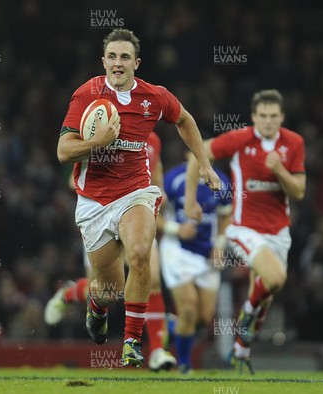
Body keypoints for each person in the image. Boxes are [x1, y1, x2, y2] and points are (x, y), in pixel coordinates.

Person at [56, 28, 219, 367]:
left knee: (142, 253)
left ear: (136, 63)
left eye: (125, 57)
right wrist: (96, 142)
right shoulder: (86, 95)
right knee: (109, 288)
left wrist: (204, 164)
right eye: (112, 57)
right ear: (103, 61)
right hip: (94, 202)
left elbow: (185, 119)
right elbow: (63, 151)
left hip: (136, 192)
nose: (118, 63)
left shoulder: (154, 97)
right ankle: (97, 308)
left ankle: (132, 341)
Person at [184, 90, 306, 374]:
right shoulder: (240, 140)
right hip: (243, 228)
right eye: (263, 116)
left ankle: (240, 351)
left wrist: (280, 172)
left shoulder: (294, 143)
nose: (268, 121)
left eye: (273, 116)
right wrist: (191, 200)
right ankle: (246, 316)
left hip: (279, 231)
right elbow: (198, 154)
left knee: (267, 293)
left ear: (282, 118)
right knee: (275, 277)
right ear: (254, 117)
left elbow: (298, 191)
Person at [46, 131, 177, 371]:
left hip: (136, 213)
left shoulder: (153, 139)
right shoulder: (99, 129)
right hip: (102, 216)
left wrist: (160, 195)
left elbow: (156, 178)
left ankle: (157, 350)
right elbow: (72, 179)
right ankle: (70, 293)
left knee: (153, 276)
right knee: (106, 290)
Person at [159, 159, 232, 373]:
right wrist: (175, 229)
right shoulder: (174, 178)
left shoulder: (222, 181)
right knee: (189, 309)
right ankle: (184, 364)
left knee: (203, 317)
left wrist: (219, 245)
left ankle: (171, 326)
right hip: (177, 251)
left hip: (207, 254)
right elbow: (152, 213)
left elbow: (226, 216)